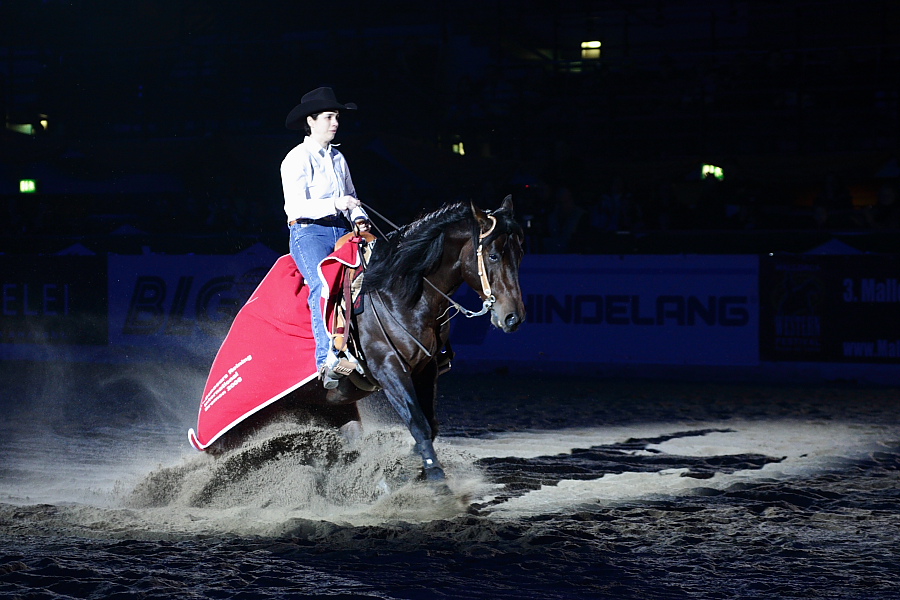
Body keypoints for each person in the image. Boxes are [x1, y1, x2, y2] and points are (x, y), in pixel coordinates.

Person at [281, 86, 370, 388]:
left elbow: (352, 199)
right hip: (308, 232)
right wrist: (336, 203)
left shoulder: (339, 159)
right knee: (323, 282)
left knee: (370, 280)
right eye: (330, 117)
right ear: (311, 120)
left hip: (341, 230)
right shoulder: (296, 159)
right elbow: (294, 206)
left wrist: (360, 220)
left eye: (336, 117)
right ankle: (327, 359)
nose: (335, 122)